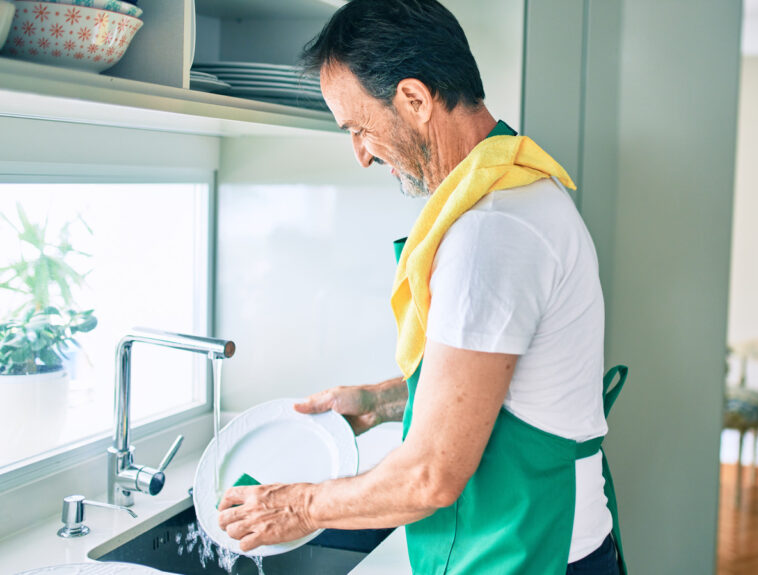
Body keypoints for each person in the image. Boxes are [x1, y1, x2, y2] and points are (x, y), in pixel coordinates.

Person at [216, 1, 626, 572]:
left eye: (359, 128)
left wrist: (298, 505)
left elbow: (431, 475)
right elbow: (500, 388)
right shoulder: (513, 194)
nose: (360, 154)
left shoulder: (492, 232)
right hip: (536, 543)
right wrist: (381, 401)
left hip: (533, 554)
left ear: (414, 99)